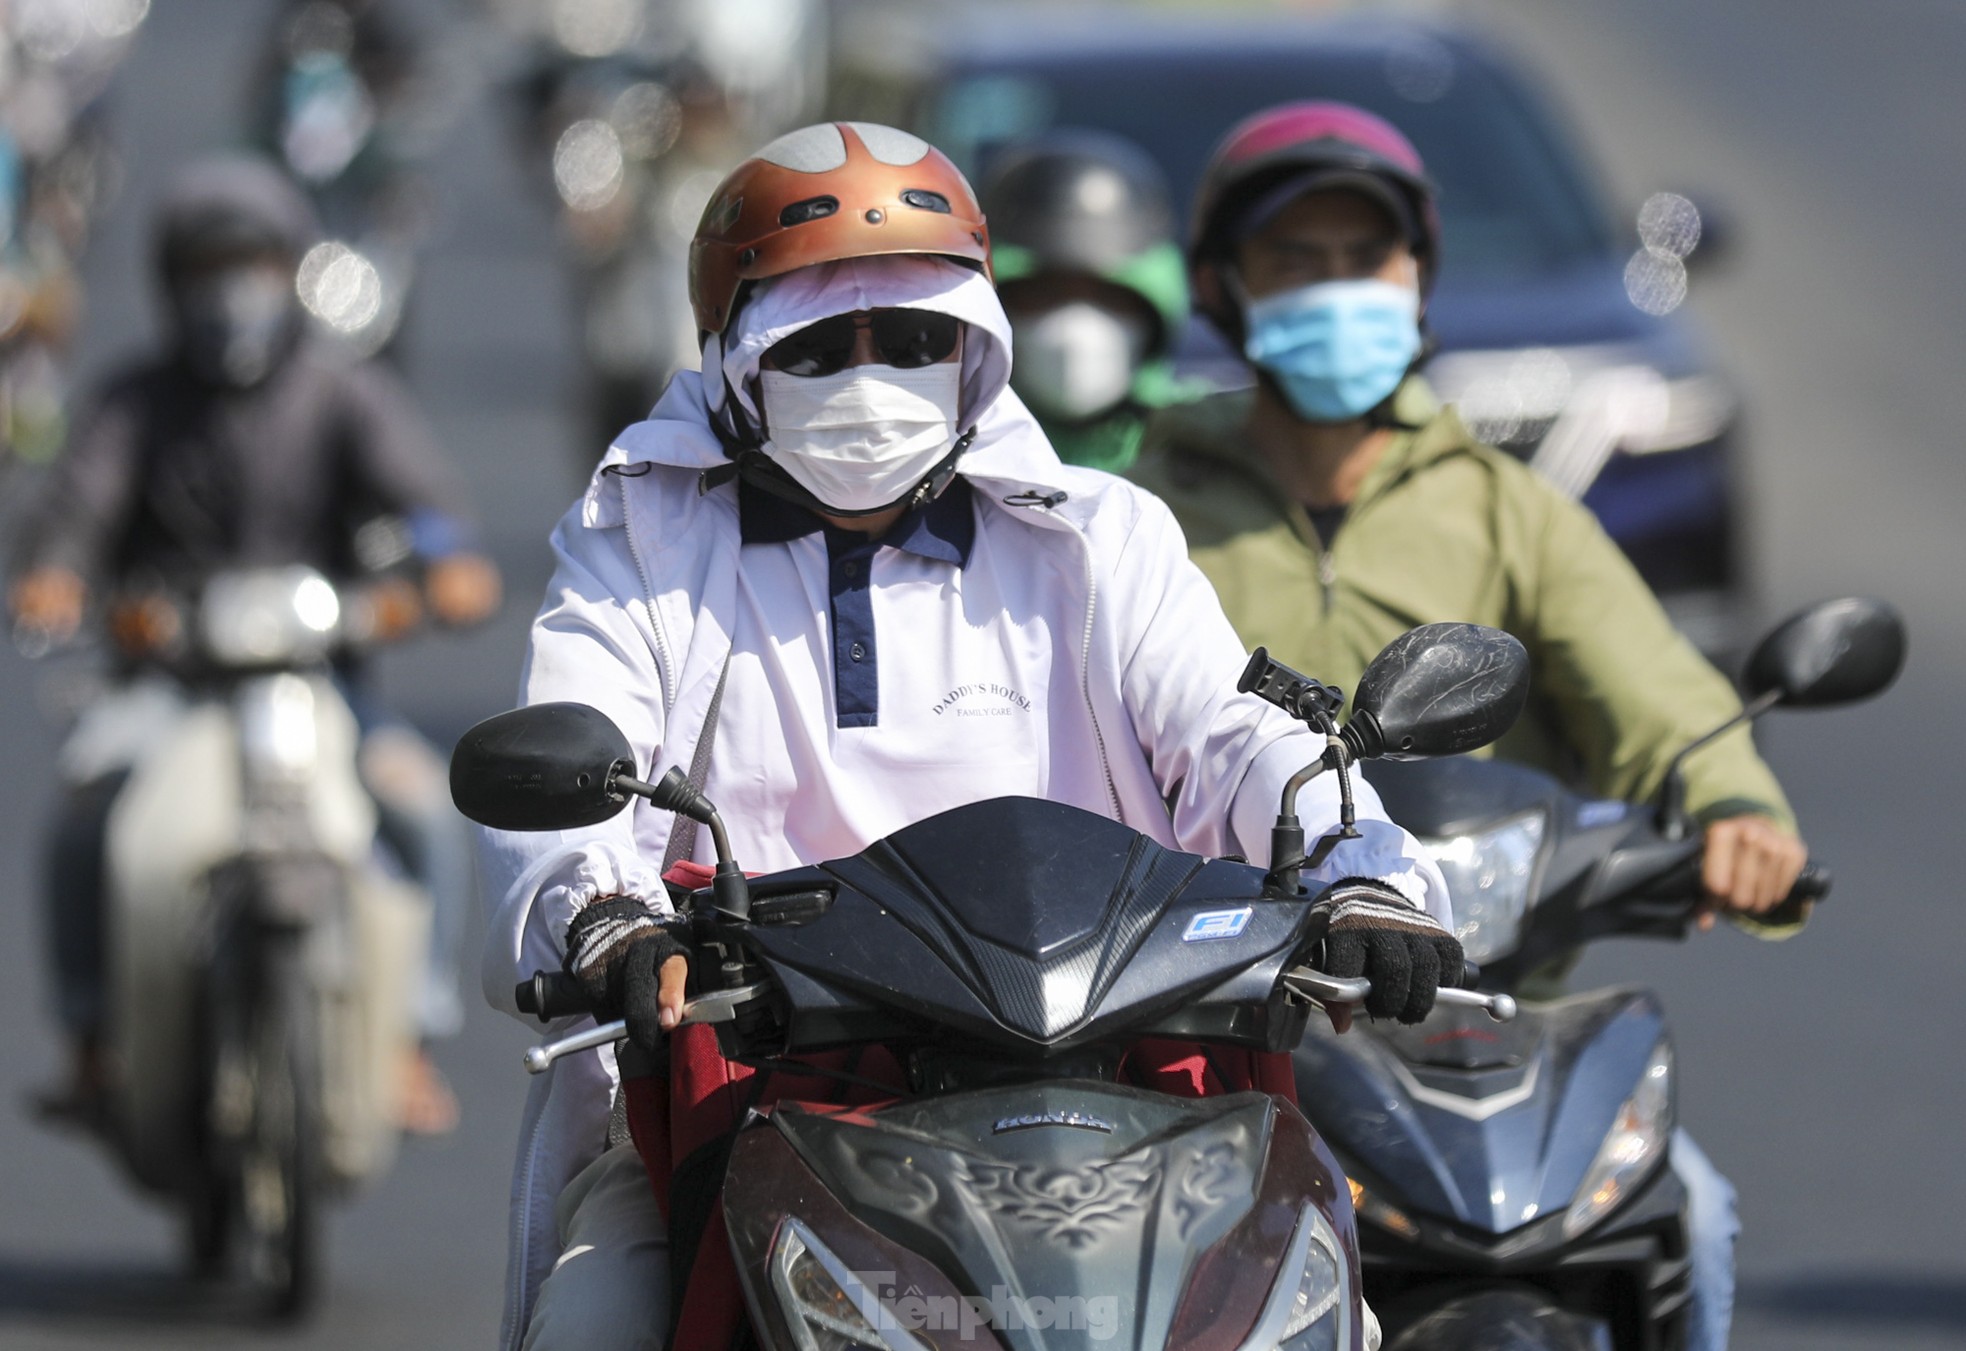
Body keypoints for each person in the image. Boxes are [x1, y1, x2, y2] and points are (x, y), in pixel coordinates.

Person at [478, 120, 1465, 1351]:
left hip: (1117, 1089)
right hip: (766, 1087)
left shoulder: (1101, 534)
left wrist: (1357, 868)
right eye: (819, 345)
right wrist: (602, 917)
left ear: (974, 353)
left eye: (910, 338)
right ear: (736, 358)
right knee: (595, 1315)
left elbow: (1232, 732)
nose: (869, 375)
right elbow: (582, 767)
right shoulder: (638, 541)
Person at [1129, 100, 1804, 1351]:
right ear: (1223, 288)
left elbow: (1651, 682)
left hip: (1475, 1006)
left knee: (1691, 1212)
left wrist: (1733, 805)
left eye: (1367, 261)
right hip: (1217, 1024)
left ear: (1420, 282)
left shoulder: (1506, 509)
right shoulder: (1140, 512)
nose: (1339, 291)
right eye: (1296, 260)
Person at [10, 153, 500, 1134]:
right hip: (171, 679)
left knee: (423, 814)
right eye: (210, 269)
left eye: (256, 265)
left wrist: (447, 566)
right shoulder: (134, 400)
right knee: (83, 812)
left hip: (321, 677)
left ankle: (410, 1037)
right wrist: (56, 576)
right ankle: (92, 1039)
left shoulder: (341, 394)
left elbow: (430, 508)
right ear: (170, 282)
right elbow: (75, 513)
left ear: (292, 271)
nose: (234, 292)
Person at [978, 128, 1198, 473]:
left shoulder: (1215, 442)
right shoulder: (933, 447)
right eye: (1045, 293)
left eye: (1107, 296)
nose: (1075, 328)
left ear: (1155, 308)